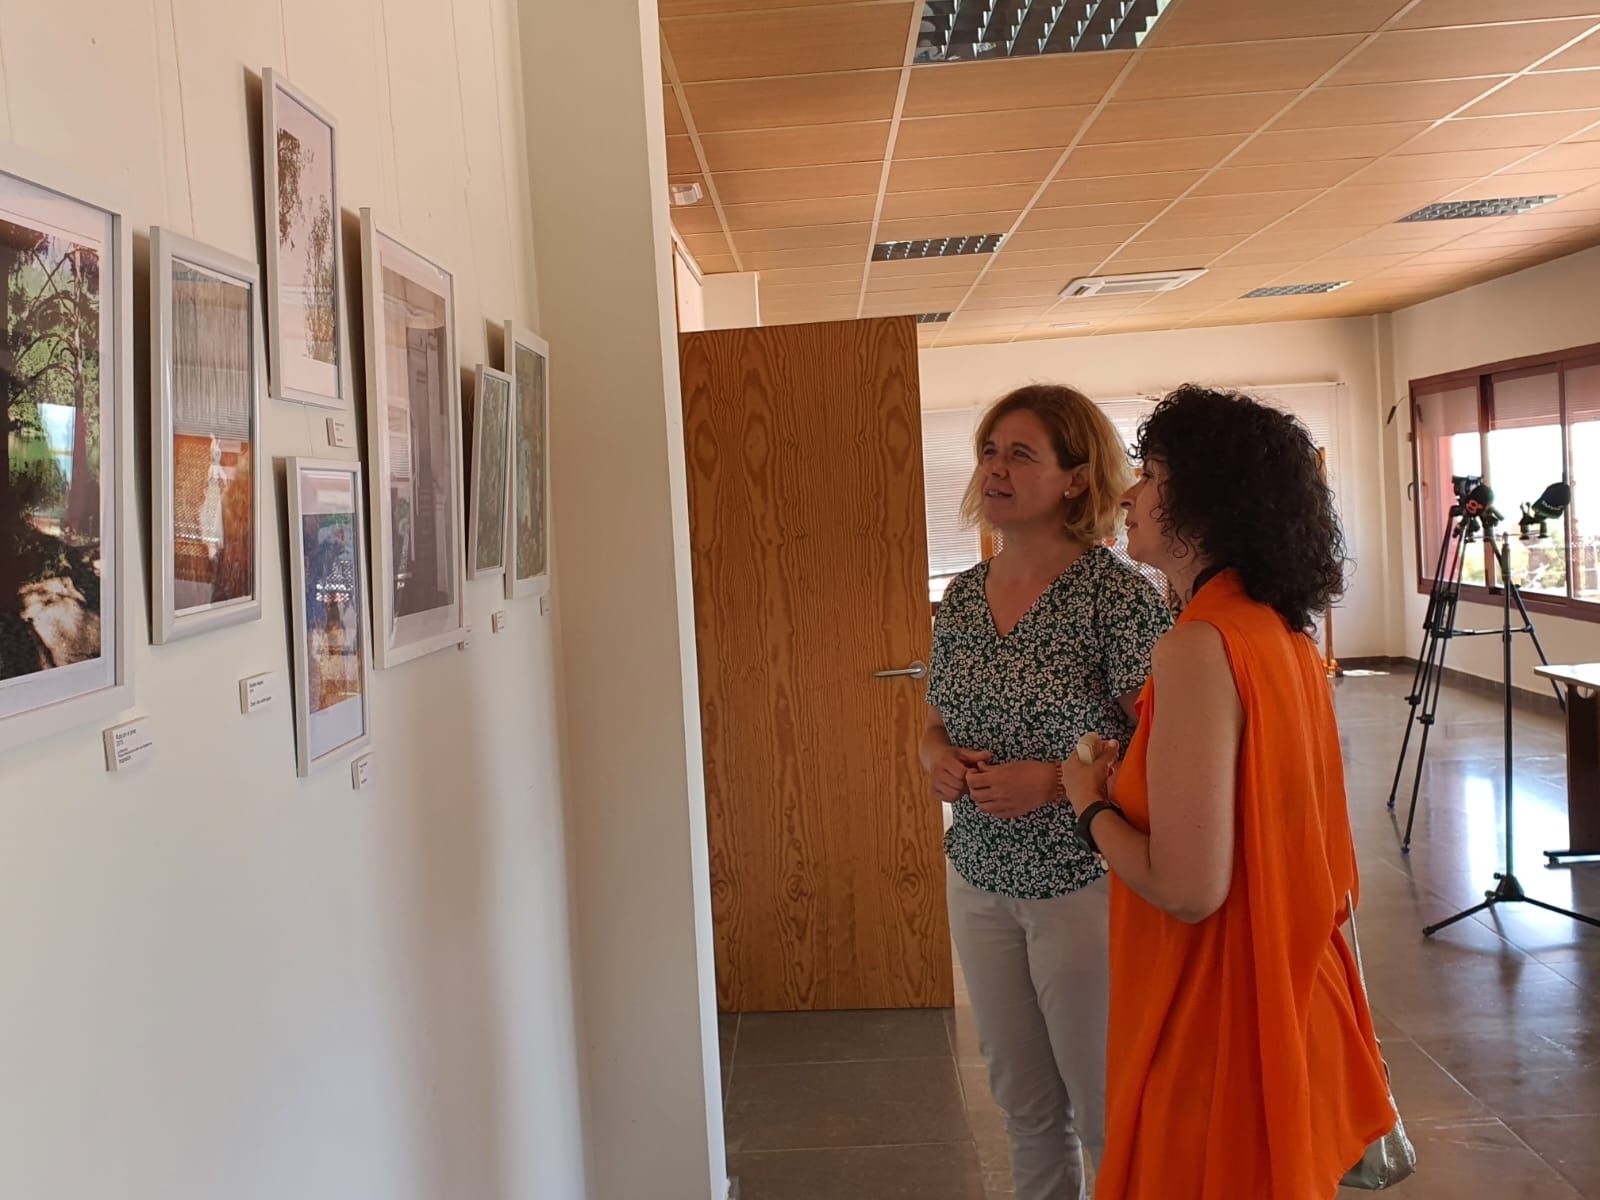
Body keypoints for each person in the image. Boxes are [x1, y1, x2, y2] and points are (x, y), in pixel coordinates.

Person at [1060, 385, 1396, 1200]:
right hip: (1284, 995)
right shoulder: (1277, 630)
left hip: (1218, 1017)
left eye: (1151, 473)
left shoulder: (1199, 645)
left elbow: (1187, 887)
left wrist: (1087, 802)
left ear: (1205, 498)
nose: (1130, 495)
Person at [922, 384, 1170, 1200]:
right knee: (1023, 1106)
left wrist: (1061, 785)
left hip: (1082, 885)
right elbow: (933, 719)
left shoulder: (1118, 600)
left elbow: (1165, 744)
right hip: (979, 878)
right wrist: (935, 758)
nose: (995, 468)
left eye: (1020, 453)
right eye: (991, 450)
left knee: (1105, 1110)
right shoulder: (961, 596)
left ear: (1074, 478)